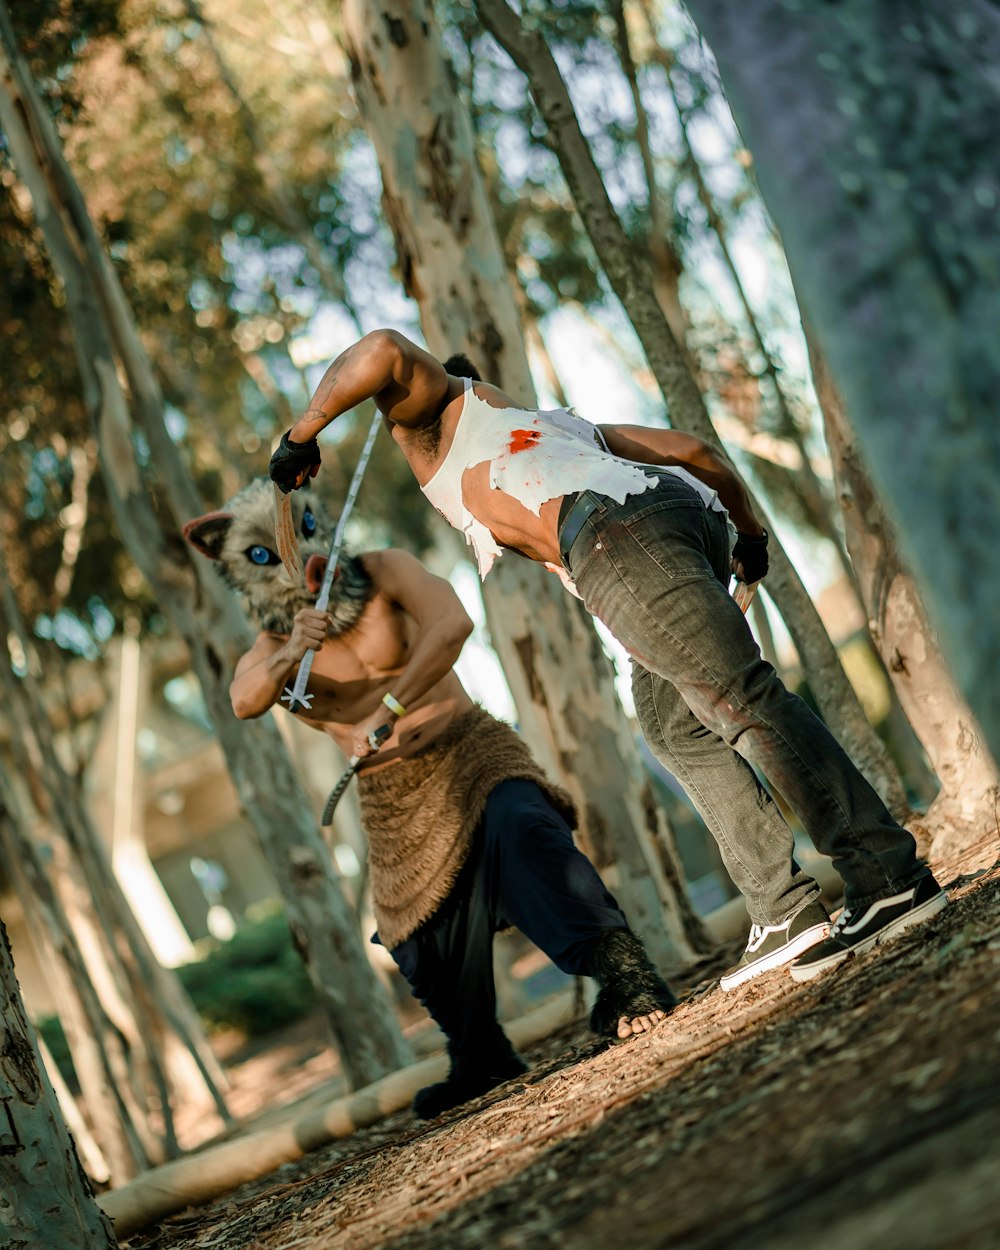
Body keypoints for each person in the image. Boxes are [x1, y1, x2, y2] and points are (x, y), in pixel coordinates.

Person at [268, 330, 947, 989]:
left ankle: (888, 877)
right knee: (673, 724)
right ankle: (783, 909)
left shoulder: (433, 433)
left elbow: (381, 349)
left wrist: (300, 436)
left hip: (611, 537)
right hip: (681, 514)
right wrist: (748, 536)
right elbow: (692, 450)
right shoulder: (553, 425)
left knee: (743, 703)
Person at [184, 477, 676, 1119]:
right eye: (265, 553)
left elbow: (453, 622)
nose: (294, 554)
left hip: (469, 749)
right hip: (391, 795)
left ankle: (627, 977)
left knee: (525, 829)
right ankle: (480, 1053)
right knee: (416, 934)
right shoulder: (274, 646)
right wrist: (290, 654)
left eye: (303, 531)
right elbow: (243, 701)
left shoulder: (383, 570)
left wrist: (391, 705)